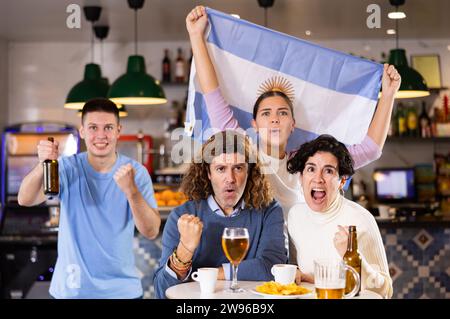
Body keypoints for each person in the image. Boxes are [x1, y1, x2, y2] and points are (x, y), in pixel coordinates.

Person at [186, 5, 401, 217]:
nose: (275, 120)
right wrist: (196, 36)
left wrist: (388, 95)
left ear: (292, 124)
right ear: (254, 125)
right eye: (266, 114)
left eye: (282, 113)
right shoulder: (243, 151)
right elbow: (211, 93)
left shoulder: (305, 162)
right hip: (256, 249)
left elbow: (370, 149)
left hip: (301, 250)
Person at [18, 98, 161, 299]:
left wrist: (132, 192)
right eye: (93, 127)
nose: (101, 135)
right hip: (72, 290)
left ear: (118, 130)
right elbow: (25, 199)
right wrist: (42, 163)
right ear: (82, 131)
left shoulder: (136, 172)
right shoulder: (67, 168)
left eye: (108, 127)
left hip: (122, 292)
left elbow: (151, 231)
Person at [153, 130, 287, 299]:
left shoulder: (269, 211)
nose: (230, 178)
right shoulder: (182, 216)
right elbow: (161, 291)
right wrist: (184, 249)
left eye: (238, 168)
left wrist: (211, 274)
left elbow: (272, 267)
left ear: (249, 171)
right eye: (221, 169)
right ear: (208, 173)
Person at [286, 135, 393, 298]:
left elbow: (385, 291)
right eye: (311, 169)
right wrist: (303, 276)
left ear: (342, 181)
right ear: (301, 177)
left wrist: (353, 257)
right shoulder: (295, 216)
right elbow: (307, 275)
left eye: (328, 171)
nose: (318, 178)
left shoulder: (360, 219)